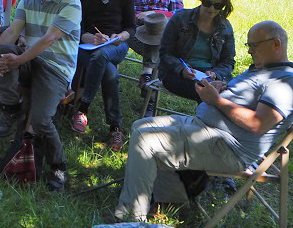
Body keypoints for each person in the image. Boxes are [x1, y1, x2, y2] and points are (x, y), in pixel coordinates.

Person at [113, 22, 293, 222]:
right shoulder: (263, 68)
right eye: (248, 45)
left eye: (254, 46)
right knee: (140, 126)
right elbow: (247, 99)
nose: (249, 51)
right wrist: (222, 89)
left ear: (276, 44)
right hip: (207, 129)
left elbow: (258, 124)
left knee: (145, 140)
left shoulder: (285, 83)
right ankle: (172, 200)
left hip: (227, 147)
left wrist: (216, 100)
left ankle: (130, 218)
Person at [0, 0, 81, 192]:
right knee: (4, 47)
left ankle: (59, 166)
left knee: (41, 121)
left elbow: (48, 39)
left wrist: (17, 62)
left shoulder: (71, 3)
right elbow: (12, 31)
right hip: (31, 61)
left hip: (56, 68)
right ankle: (9, 107)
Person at [69, 0, 135, 151]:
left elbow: (131, 28)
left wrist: (119, 37)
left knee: (102, 55)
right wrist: (89, 37)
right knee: (110, 73)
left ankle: (83, 107)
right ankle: (115, 127)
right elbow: (75, 27)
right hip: (89, 46)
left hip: (116, 45)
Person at [158, 0, 236, 102]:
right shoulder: (180, 18)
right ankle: (204, 119)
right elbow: (165, 52)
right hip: (177, 73)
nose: (211, 9)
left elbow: (228, 61)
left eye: (218, 6)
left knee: (225, 91)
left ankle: (205, 118)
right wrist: (181, 69)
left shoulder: (225, 27)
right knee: (208, 91)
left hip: (210, 75)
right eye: (207, 3)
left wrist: (216, 73)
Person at [124, 0, 184, 89]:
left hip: (162, 33)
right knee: (159, 44)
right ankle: (150, 79)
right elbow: (121, 11)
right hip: (136, 31)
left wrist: (154, 14)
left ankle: (147, 76)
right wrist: (140, 16)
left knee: (157, 34)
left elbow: (178, 13)